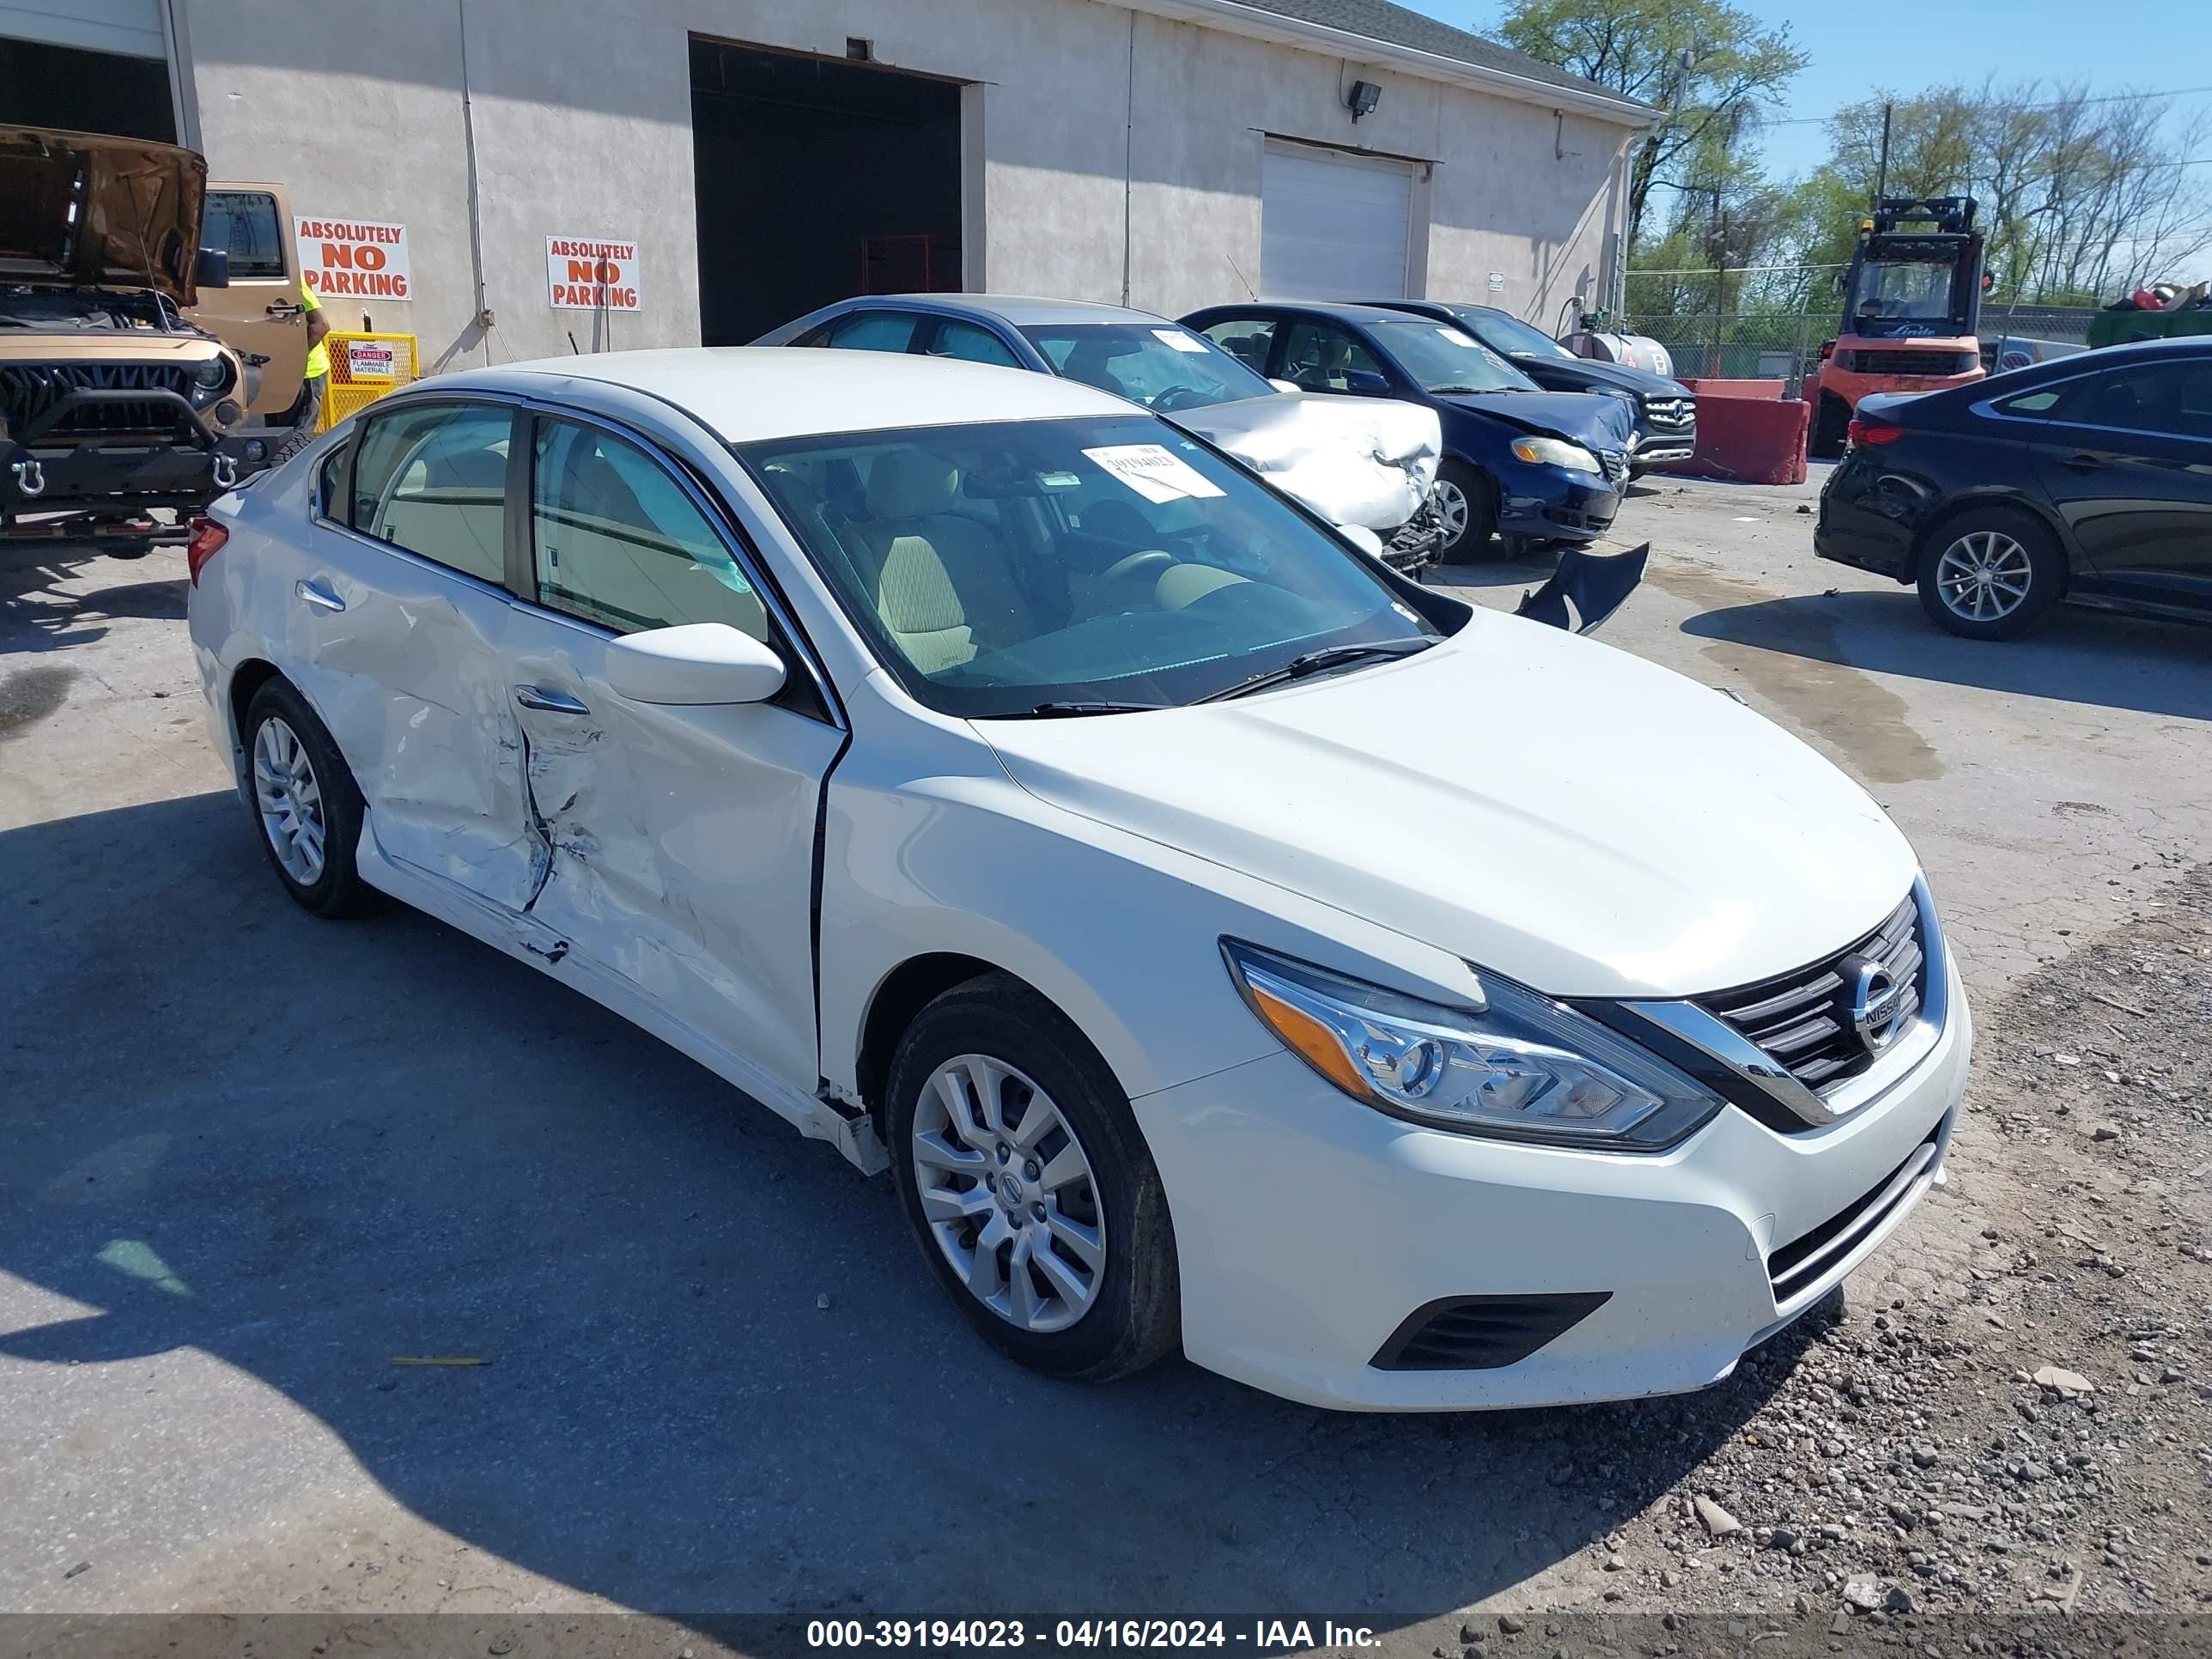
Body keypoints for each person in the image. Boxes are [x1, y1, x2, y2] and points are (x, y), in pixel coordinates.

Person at [270, 275, 331, 464]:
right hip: (280, 372)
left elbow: (321, 326)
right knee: (279, 436)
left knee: (299, 436)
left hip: (307, 373)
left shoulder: (295, 284)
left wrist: (294, 358)